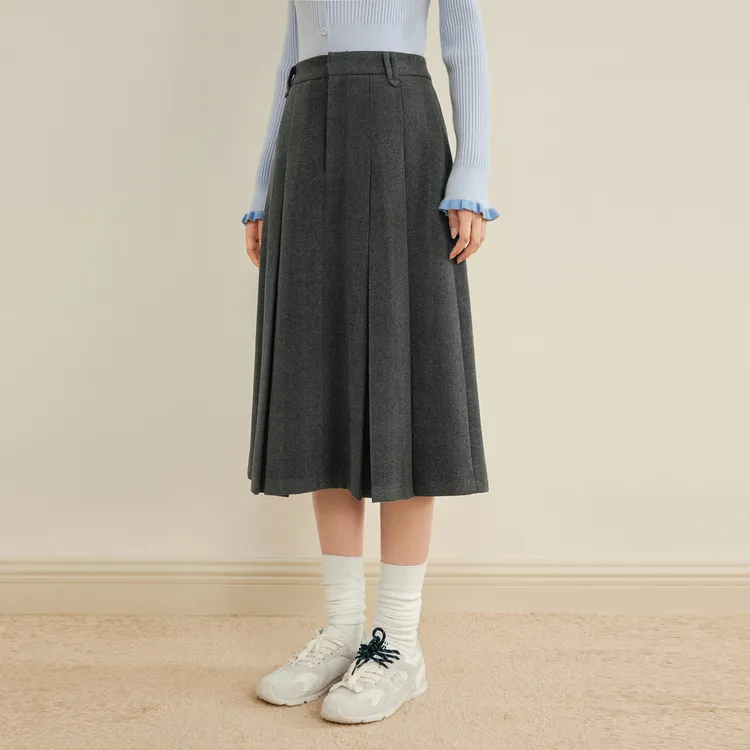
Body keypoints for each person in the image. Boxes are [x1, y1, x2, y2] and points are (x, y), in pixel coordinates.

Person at [243, 0, 496, 724]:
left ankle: (400, 643)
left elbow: (464, 41)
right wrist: (263, 189)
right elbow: (291, 63)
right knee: (320, 381)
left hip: (400, 130)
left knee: (404, 378)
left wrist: (472, 175)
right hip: (308, 134)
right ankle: (344, 629)